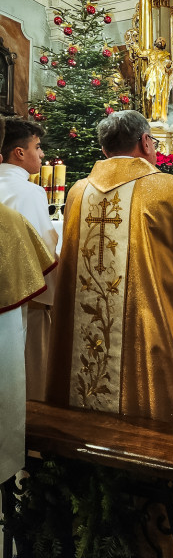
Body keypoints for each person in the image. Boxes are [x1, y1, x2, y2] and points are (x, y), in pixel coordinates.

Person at [46, 110, 173, 433]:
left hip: (83, 344)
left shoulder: (77, 193)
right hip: (151, 340)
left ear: (105, 150)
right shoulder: (171, 190)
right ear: (147, 142)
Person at [0, 115, 56, 485]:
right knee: (22, 374)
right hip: (18, 297)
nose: (41, 155)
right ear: (19, 153)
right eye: (37, 148)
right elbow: (45, 253)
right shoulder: (30, 192)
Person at [142, 36, 173, 123]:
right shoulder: (149, 52)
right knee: (149, 96)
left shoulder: (166, 55)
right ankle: (149, 115)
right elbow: (139, 53)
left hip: (161, 78)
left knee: (159, 96)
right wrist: (132, 43)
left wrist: (168, 66)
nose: (161, 41)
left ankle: (159, 116)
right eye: (160, 39)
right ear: (155, 41)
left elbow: (169, 69)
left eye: (163, 40)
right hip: (151, 76)